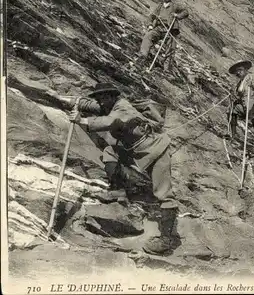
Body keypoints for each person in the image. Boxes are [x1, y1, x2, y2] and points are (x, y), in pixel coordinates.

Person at [54, 82, 179, 255]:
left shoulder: (123, 108)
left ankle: (167, 239)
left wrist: (81, 120)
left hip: (157, 149)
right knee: (110, 152)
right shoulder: (108, 105)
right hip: (136, 150)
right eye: (100, 97)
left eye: (106, 97)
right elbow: (91, 105)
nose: (103, 101)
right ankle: (118, 190)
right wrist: (61, 98)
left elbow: (109, 121)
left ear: (114, 96)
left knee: (163, 193)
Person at [138, 0, 189, 72]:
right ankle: (143, 56)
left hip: (170, 30)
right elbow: (151, 16)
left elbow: (186, 12)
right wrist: (150, 25)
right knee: (148, 36)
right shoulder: (160, 7)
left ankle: (167, 70)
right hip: (159, 28)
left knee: (171, 48)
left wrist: (177, 15)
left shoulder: (175, 6)